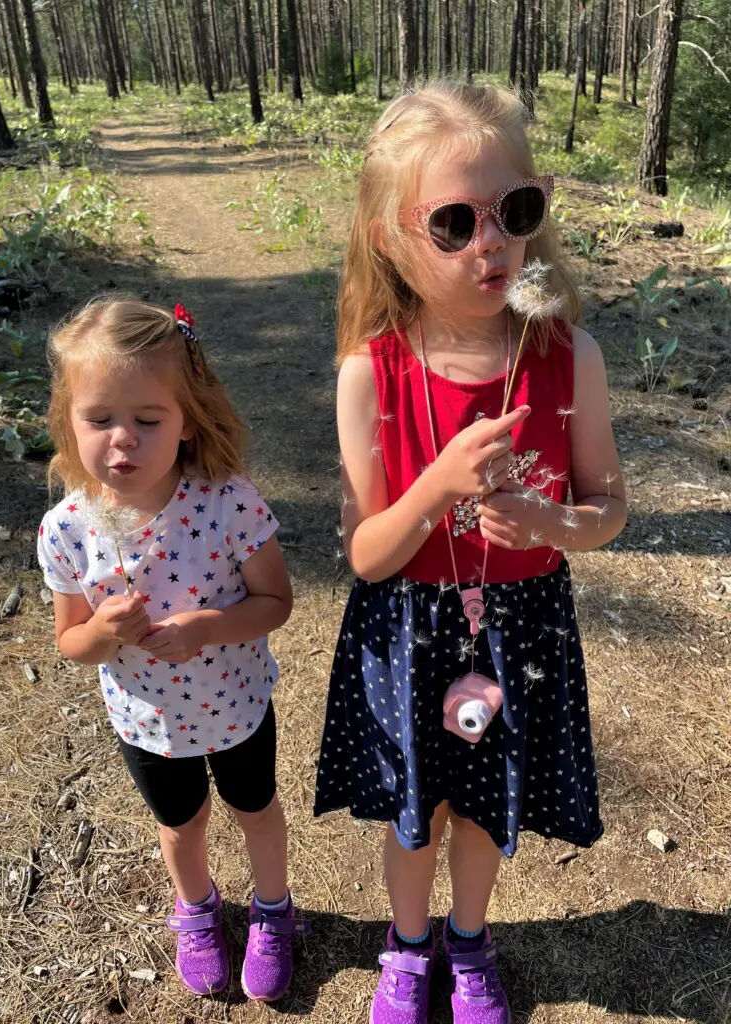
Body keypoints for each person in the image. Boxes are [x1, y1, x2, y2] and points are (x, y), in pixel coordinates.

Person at [314, 83, 627, 1024]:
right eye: (453, 222)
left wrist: (551, 524)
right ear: (389, 239)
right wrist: (438, 486)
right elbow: (368, 555)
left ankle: (469, 937)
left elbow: (608, 507)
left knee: (488, 804)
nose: (491, 242)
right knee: (419, 808)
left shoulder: (573, 358)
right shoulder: (372, 373)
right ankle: (408, 952)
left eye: (514, 213)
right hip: (409, 626)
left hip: (522, 625)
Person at [37, 297, 308, 1002]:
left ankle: (274, 911)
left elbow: (275, 602)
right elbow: (71, 642)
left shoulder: (227, 502)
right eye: (99, 419)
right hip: (147, 723)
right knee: (180, 824)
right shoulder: (67, 530)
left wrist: (206, 628)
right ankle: (196, 909)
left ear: (187, 421)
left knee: (256, 809)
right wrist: (104, 634)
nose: (122, 440)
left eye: (148, 420)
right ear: (68, 421)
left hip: (237, 704)